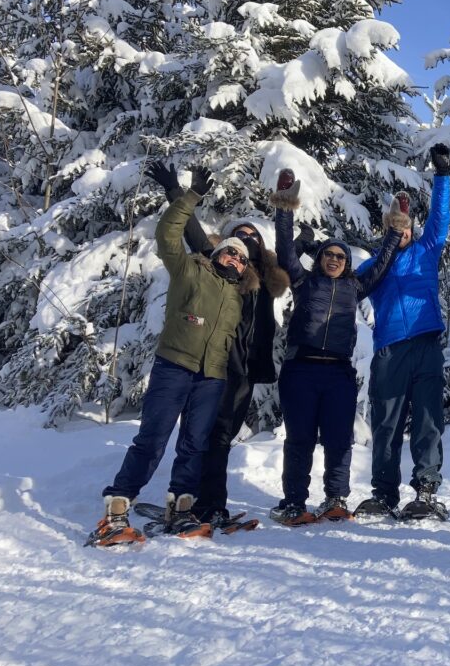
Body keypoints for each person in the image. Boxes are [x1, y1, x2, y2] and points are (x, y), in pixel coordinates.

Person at [87, 177, 249, 545]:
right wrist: (189, 197)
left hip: (211, 378)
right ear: (217, 253)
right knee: (152, 439)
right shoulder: (190, 270)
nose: (236, 259)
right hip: (174, 366)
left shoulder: (236, 296)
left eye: (242, 259)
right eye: (230, 252)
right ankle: (117, 508)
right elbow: (168, 235)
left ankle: (181, 508)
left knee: (194, 445)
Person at [144, 161, 290, 530]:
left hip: (246, 371)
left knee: (220, 437)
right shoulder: (222, 271)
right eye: (238, 235)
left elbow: (289, 251)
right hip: (217, 364)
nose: (245, 240)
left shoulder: (268, 279)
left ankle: (205, 503)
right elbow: (192, 231)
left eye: (252, 236)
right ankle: (201, 504)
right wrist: (175, 191)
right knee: (208, 435)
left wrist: (288, 211)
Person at [265, 170, 402, 525]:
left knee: (339, 439)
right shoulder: (303, 282)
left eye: (341, 256)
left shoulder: (355, 288)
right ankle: (294, 502)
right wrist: (284, 207)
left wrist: (395, 229)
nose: (335, 259)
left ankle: (336, 498)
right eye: (329, 254)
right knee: (300, 439)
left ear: (347, 264)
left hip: (339, 372)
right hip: (300, 369)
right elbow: (285, 249)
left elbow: (383, 264)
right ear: (320, 259)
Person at [353, 144, 450, 521]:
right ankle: (383, 493)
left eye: (407, 226)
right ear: (388, 230)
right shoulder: (373, 266)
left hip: (426, 344)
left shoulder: (426, 251)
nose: (404, 231)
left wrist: (442, 175)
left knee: (428, 419)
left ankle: (425, 491)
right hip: (389, 350)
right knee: (387, 423)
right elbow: (349, 288)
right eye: (397, 227)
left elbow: (440, 219)